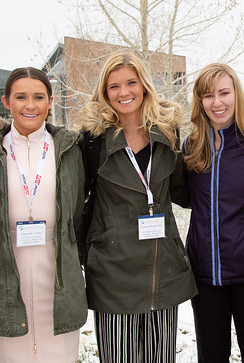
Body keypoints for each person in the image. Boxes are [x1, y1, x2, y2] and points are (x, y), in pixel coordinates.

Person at [77, 50, 197, 363]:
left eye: (131, 82)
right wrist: (83, 255)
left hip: (161, 267)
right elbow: (80, 203)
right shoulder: (92, 140)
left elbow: (182, 191)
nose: (124, 92)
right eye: (114, 86)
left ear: (144, 85)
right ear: (104, 92)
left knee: (160, 358)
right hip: (113, 270)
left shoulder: (167, 132)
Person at [0, 67, 87, 362]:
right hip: (5, 271)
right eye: (21, 97)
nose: (30, 105)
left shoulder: (67, 149)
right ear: (6, 101)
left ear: (50, 101)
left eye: (39, 97)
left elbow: (77, 212)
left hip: (56, 268)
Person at [182, 63, 244, 362]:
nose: (217, 102)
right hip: (205, 275)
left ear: (237, 94)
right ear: (200, 101)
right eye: (208, 96)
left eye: (224, 93)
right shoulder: (191, 146)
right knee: (210, 354)